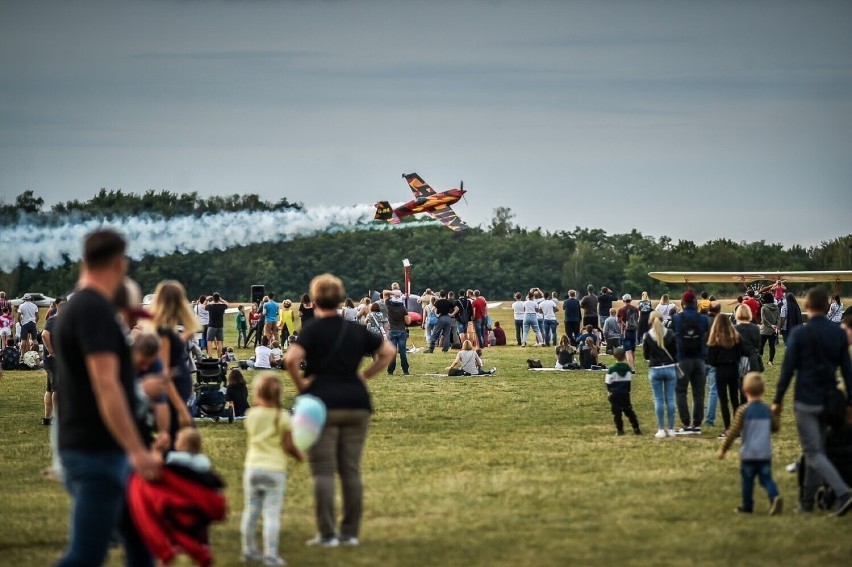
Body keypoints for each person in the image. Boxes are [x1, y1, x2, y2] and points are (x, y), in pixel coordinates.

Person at [53, 229, 160, 566]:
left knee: (142, 543)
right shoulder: (94, 310)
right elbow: (107, 385)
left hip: (96, 446)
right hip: (97, 450)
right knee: (85, 556)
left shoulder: (75, 307)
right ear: (119, 262)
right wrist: (137, 450)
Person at [286, 273, 394, 547]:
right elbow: (388, 351)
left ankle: (327, 534)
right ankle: (350, 533)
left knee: (323, 470)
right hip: (357, 403)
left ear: (316, 299)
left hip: (321, 403)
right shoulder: (355, 329)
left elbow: (291, 359)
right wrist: (365, 375)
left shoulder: (313, 329)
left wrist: (303, 386)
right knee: (351, 470)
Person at [772, 287, 852, 516]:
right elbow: (847, 370)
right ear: (828, 307)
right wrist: (850, 403)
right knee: (814, 451)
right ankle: (806, 503)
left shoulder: (799, 334)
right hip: (829, 399)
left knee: (813, 452)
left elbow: (787, 371)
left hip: (806, 399)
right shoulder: (838, 333)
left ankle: (843, 492)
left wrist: (777, 399)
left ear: (806, 307)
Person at [240, 373, 305, 565]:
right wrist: (300, 456)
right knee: (271, 514)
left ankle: (248, 550)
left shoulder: (251, 416)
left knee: (251, 511)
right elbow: (289, 446)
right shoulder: (282, 417)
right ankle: (270, 555)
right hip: (274, 470)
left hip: (253, 468)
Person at [718, 372, 783, 515]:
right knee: (766, 478)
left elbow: (733, 432)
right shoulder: (767, 410)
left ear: (744, 390)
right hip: (764, 452)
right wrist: (777, 413)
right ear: (763, 390)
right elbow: (775, 427)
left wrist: (723, 450)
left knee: (747, 480)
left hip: (748, 453)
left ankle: (747, 506)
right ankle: (775, 496)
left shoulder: (742, 410)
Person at [150, 280, 198, 448]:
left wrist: (184, 337)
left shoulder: (166, 331)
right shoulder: (163, 333)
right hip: (174, 398)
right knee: (180, 445)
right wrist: (181, 408)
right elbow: (164, 372)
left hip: (179, 394)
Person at [673, 291, 710, 435]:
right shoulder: (703, 319)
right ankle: (697, 422)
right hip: (700, 359)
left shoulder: (676, 318)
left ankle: (686, 422)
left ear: (683, 303)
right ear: (695, 302)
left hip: (683, 359)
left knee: (681, 391)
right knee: (699, 392)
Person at [707, 312, 743, 439]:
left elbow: (710, 360)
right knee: (735, 400)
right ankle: (737, 429)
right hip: (733, 369)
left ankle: (728, 428)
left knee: (724, 401)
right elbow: (740, 355)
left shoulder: (714, 339)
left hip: (721, 370)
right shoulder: (736, 337)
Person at [643, 311, 678, 438]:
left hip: (655, 368)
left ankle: (661, 429)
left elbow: (646, 356)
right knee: (670, 399)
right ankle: (672, 428)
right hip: (669, 367)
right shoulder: (670, 334)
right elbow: (675, 352)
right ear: (662, 319)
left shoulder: (647, 336)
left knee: (658, 399)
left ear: (651, 321)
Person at [605, 347, 641, 436]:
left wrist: (609, 391)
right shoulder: (628, 368)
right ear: (625, 357)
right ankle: (636, 428)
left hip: (614, 393)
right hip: (625, 393)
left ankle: (620, 430)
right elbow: (628, 381)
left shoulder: (612, 369)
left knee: (616, 413)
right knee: (629, 411)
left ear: (614, 356)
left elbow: (608, 382)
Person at [41, 297, 65, 426]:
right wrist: (51, 351)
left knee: (50, 389)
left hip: (54, 361)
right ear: (57, 306)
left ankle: (47, 418)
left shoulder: (60, 320)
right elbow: (44, 335)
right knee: (57, 389)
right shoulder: (53, 320)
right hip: (53, 361)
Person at [386, 292, 411, 376]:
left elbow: (385, 292)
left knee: (392, 352)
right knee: (402, 352)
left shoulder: (389, 306)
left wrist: (394, 292)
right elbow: (407, 322)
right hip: (401, 331)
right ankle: (405, 370)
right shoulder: (403, 308)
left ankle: (390, 370)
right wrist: (409, 318)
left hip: (392, 330)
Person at [617, 294, 640, 370]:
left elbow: (618, 321)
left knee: (628, 351)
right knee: (632, 350)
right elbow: (637, 319)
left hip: (625, 331)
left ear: (623, 300)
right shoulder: (636, 309)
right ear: (631, 300)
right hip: (634, 331)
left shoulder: (621, 310)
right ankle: (632, 366)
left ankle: (631, 368)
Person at [205, 292, 228, 359]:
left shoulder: (210, 306)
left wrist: (206, 300)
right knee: (219, 342)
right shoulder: (222, 306)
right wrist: (222, 300)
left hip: (212, 326)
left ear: (213, 298)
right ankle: (219, 356)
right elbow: (227, 304)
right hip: (220, 326)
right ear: (219, 298)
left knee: (209, 341)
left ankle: (210, 356)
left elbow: (204, 306)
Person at [17, 292, 39, 357]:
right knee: (35, 340)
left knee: (23, 340)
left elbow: (18, 317)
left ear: (24, 299)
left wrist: (21, 324)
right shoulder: (34, 306)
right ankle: (36, 355)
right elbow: (37, 316)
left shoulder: (21, 306)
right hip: (32, 323)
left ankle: (22, 355)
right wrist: (35, 322)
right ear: (30, 298)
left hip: (25, 323)